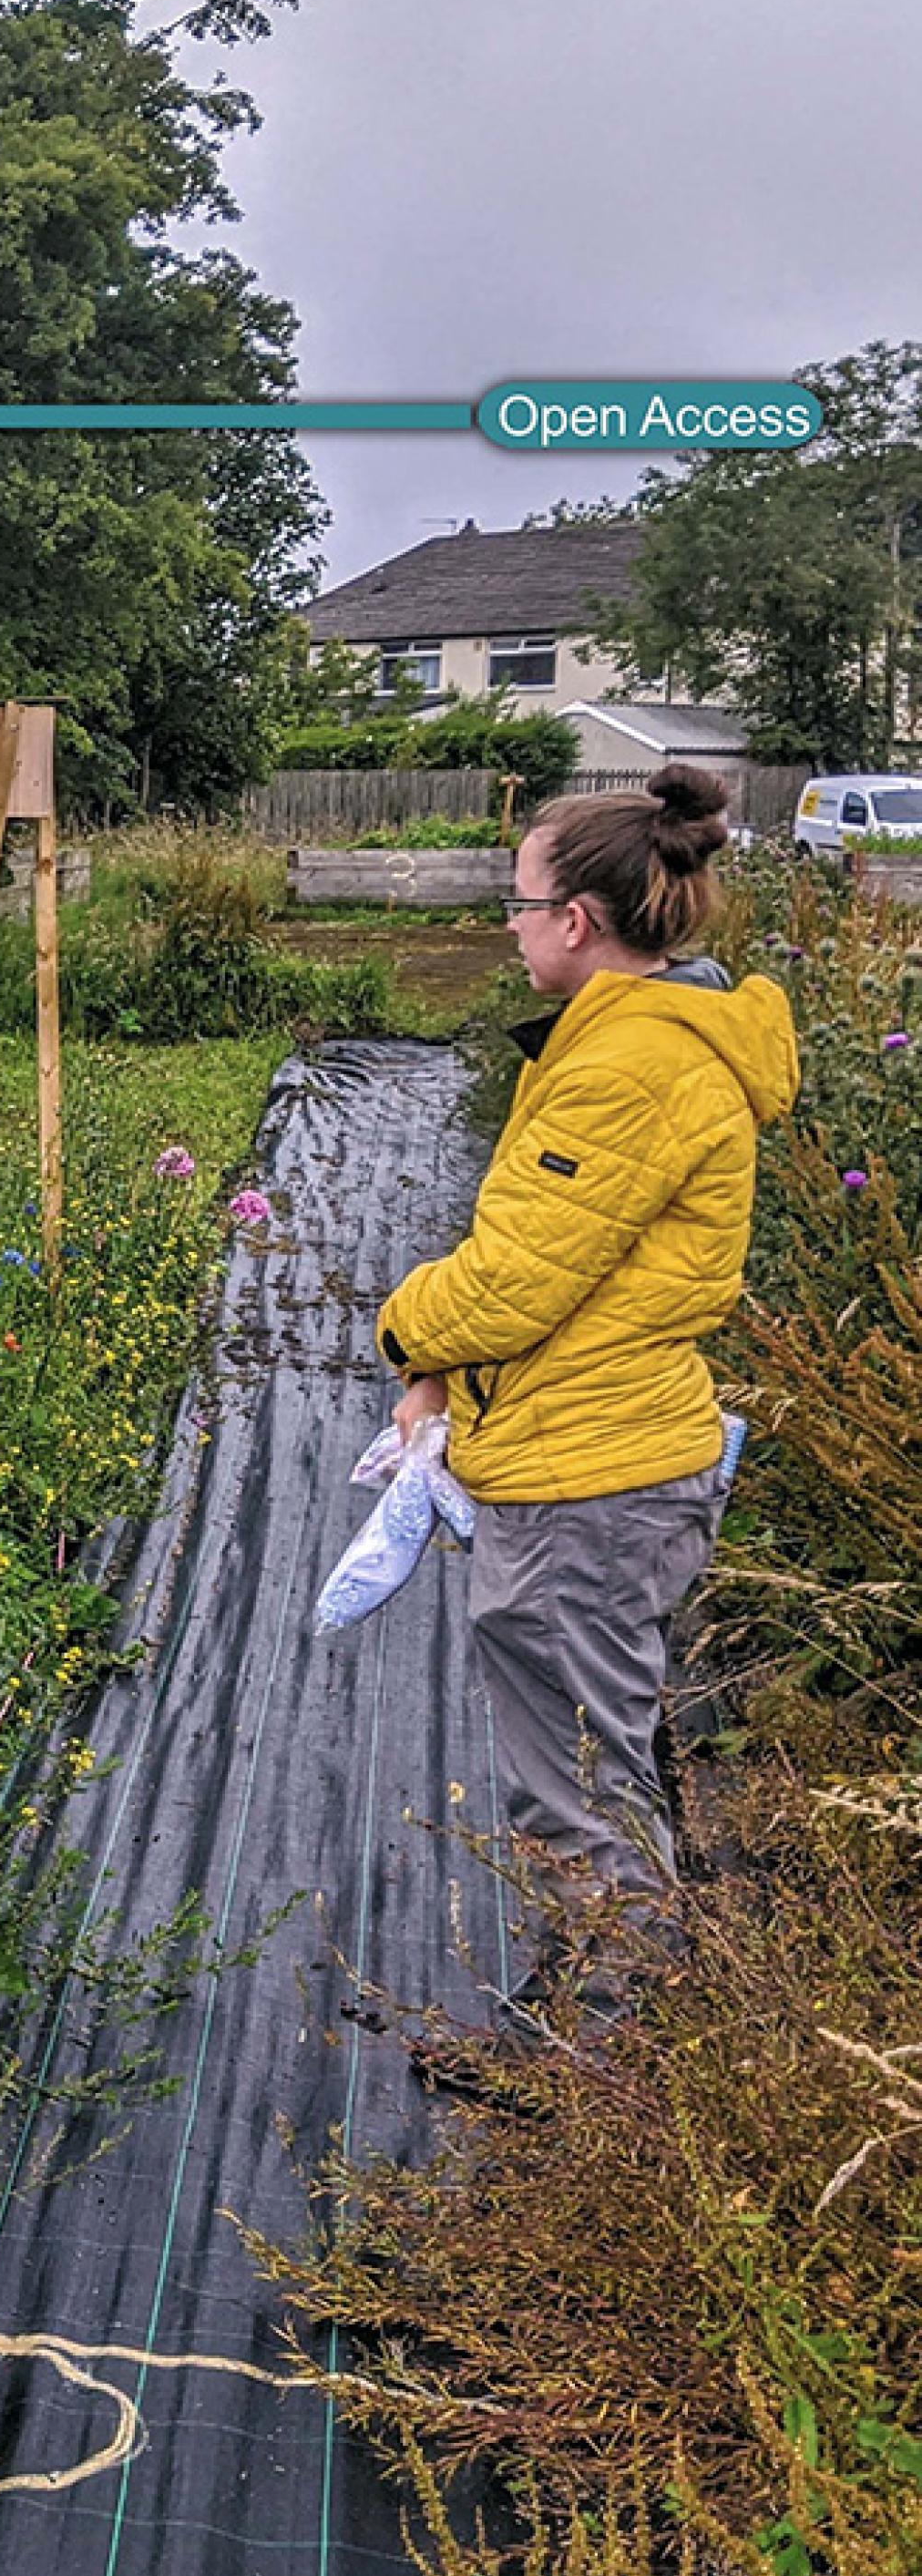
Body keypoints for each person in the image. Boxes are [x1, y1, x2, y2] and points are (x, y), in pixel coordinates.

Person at [375, 765, 798, 2016]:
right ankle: (608, 2016)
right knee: (598, 1754)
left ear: (577, 920)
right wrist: (446, 1371)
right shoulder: (637, 1042)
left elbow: (514, 1279)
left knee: (576, 1781)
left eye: (518, 902)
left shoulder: (627, 1071)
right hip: (598, 1454)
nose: (507, 926)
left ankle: (609, 2062)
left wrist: (408, 1329)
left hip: (591, 1483)